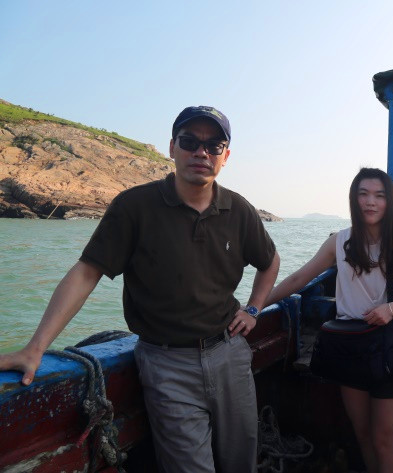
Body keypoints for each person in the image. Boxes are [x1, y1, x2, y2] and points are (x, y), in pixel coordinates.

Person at [0, 105, 280, 473]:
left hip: (229, 352)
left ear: (225, 156)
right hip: (166, 363)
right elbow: (86, 273)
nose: (201, 152)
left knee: (241, 460)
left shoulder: (239, 210)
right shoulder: (135, 207)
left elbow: (269, 261)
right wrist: (35, 348)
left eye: (214, 145)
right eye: (190, 142)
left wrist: (254, 309)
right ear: (172, 148)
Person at [265, 168, 393, 473]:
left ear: (389, 202)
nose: (370, 202)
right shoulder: (340, 242)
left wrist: (391, 309)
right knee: (363, 434)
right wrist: (255, 306)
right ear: (354, 199)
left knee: (384, 440)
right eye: (363, 194)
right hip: (351, 347)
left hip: (392, 348)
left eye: (379, 195)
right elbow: (299, 278)